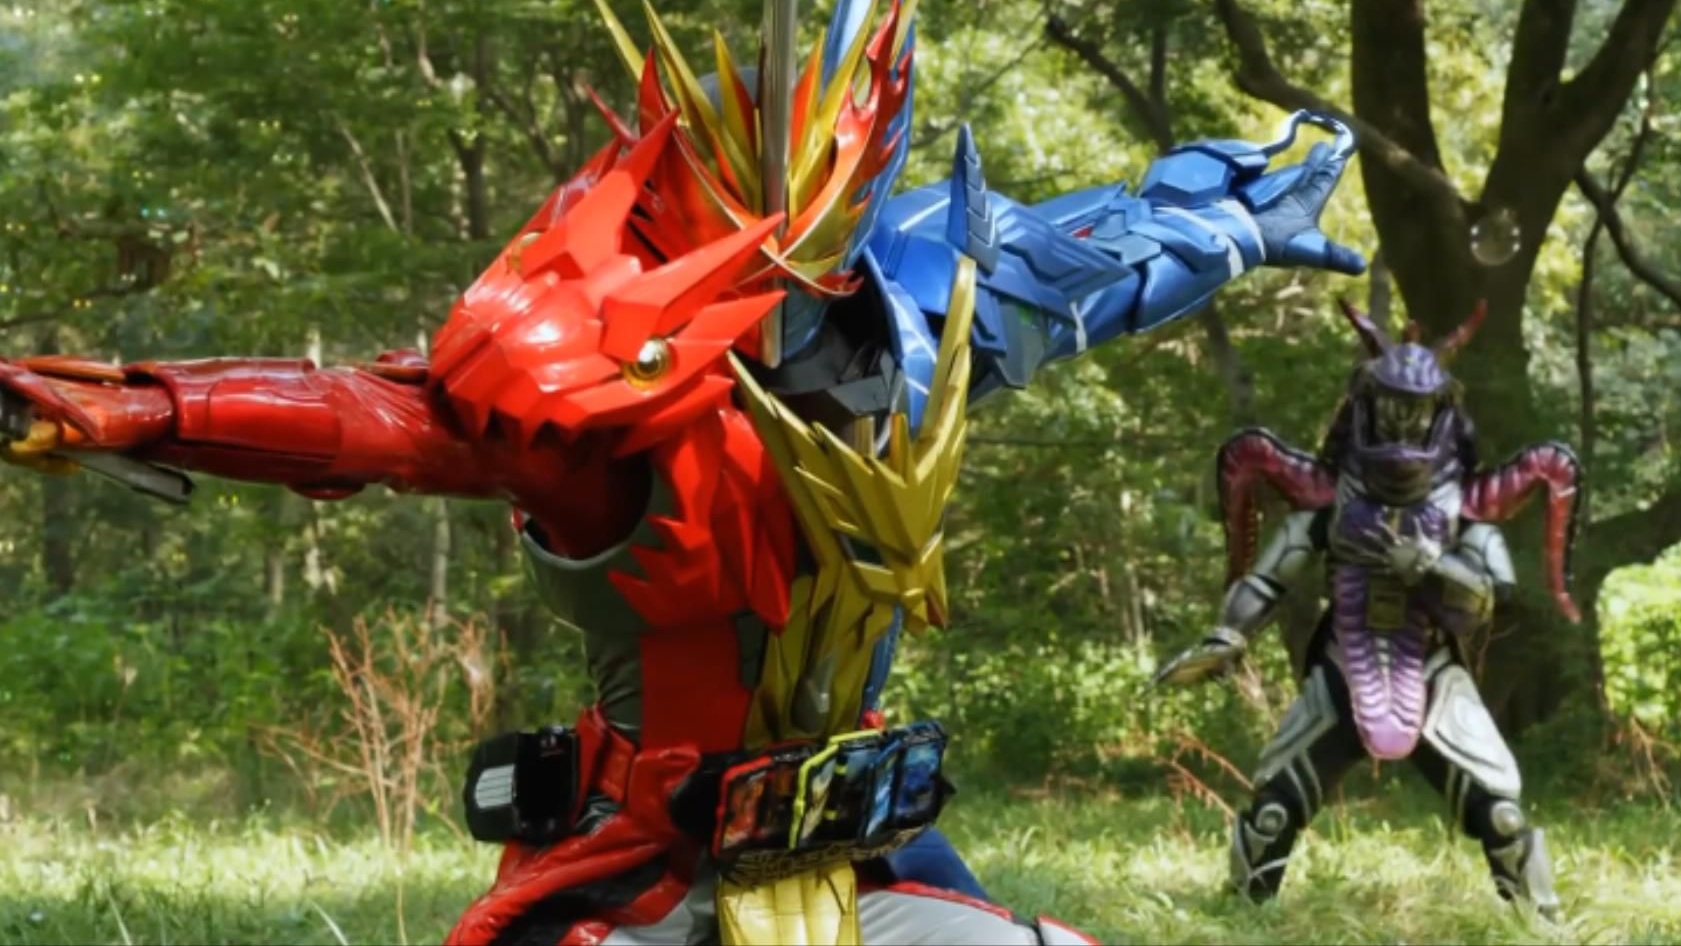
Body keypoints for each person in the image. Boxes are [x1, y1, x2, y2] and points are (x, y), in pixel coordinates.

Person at [0, 1, 1365, 941]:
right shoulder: (604, 397)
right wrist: (146, 408)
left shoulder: (919, 313)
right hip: (650, 871)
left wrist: (1242, 214)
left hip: (855, 852)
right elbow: (392, 417)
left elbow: (1105, 261)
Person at [1156, 299, 1581, 920]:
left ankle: (1539, 923)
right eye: (1391, 406)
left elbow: (1494, 599)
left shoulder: (1464, 514)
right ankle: (1242, 919)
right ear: (1366, 406)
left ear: (1439, 413)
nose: (1403, 421)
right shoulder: (1330, 504)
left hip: (1431, 669)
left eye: (1416, 409)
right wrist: (1228, 633)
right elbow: (1268, 580)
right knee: (1273, 807)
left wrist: (1431, 566)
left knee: (1502, 814)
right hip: (1343, 667)